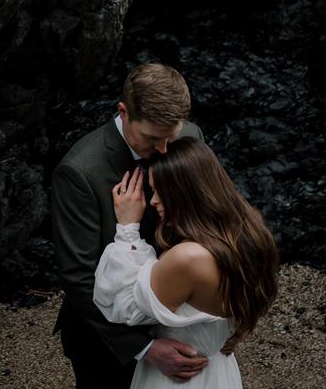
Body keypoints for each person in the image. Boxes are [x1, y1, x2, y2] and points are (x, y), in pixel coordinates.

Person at [50, 63, 209, 388]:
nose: (165, 150)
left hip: (178, 319)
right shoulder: (79, 172)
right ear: (123, 112)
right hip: (107, 342)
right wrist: (144, 348)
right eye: (152, 138)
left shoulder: (190, 137)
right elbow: (78, 275)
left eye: (172, 136)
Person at [93, 139, 280, 388]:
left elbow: (124, 308)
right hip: (218, 367)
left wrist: (128, 230)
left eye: (160, 191)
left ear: (184, 193)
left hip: (178, 377)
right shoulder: (248, 235)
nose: (153, 201)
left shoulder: (187, 258)